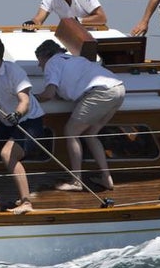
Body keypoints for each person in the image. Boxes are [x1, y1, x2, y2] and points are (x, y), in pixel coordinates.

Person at [0, 35, 48, 214]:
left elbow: (25, 101)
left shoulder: (14, 71)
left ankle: (26, 202)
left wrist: (18, 114)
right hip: (5, 122)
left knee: (7, 154)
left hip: (29, 122)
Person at [34, 39, 123, 192]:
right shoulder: (75, 59)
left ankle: (76, 181)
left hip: (100, 92)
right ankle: (106, 178)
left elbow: (49, 94)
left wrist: (30, 97)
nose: (39, 65)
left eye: (39, 60)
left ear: (45, 56)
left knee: (70, 132)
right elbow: (66, 88)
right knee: (91, 134)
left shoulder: (52, 63)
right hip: (119, 89)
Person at [23, 0, 106, 29]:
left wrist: (78, 21)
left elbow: (102, 18)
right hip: (70, 38)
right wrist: (31, 24)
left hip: (92, 35)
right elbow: (38, 19)